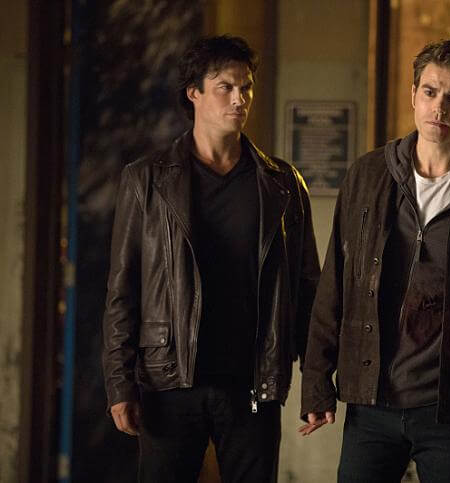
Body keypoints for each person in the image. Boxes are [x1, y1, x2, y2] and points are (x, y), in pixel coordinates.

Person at [300, 38, 450, 482]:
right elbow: (335, 285)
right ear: (413, 95)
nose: (439, 108)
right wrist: (316, 381)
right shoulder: (368, 176)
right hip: (372, 399)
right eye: (430, 92)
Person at [102, 35, 320, 483]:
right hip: (169, 380)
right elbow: (123, 289)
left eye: (246, 87)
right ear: (194, 93)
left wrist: (317, 383)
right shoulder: (147, 180)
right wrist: (119, 383)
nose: (240, 99)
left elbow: (307, 288)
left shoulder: (281, 182)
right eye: (225, 87)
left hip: (252, 381)